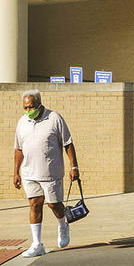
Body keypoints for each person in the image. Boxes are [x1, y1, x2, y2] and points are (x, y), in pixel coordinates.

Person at [13, 90, 79, 257]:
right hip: (29, 173)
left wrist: (74, 167)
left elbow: (68, 144)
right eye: (25, 108)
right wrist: (16, 173)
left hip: (51, 173)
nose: (28, 111)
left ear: (39, 105)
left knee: (54, 205)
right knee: (35, 204)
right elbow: (18, 149)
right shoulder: (22, 122)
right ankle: (37, 244)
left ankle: (63, 225)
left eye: (31, 107)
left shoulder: (54, 118)